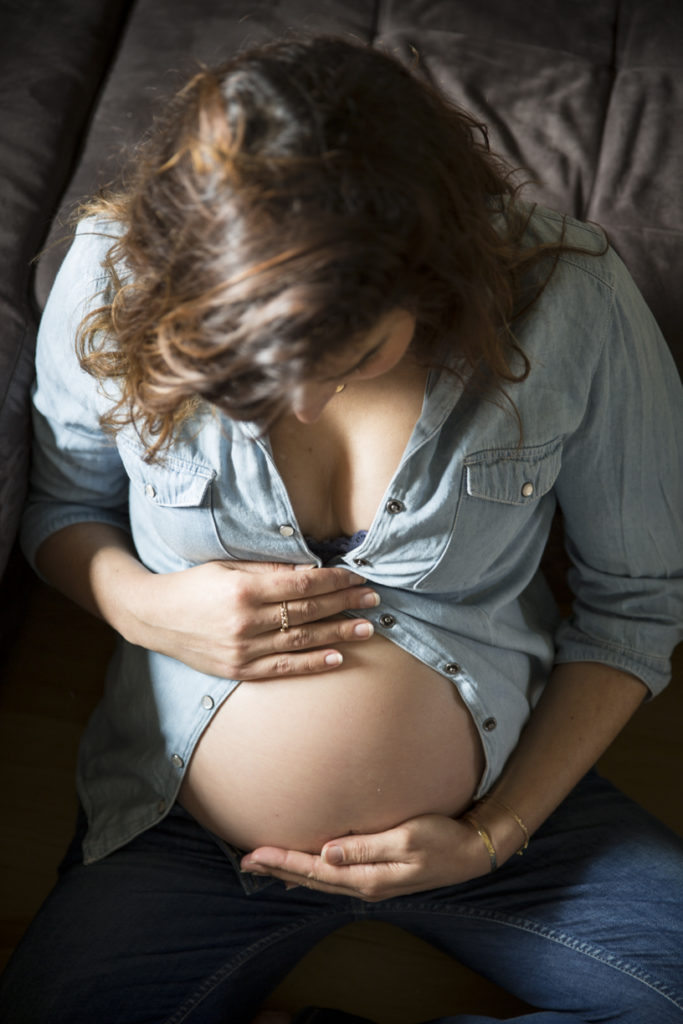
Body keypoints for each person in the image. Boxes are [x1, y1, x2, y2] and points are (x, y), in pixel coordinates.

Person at [1, 34, 682, 1024]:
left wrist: (494, 832)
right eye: (252, 373)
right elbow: (64, 507)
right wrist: (144, 607)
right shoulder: (116, 273)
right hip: (188, 829)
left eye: (352, 356)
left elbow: (635, 605)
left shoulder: (570, 299)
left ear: (428, 274)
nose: (305, 403)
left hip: (501, 812)